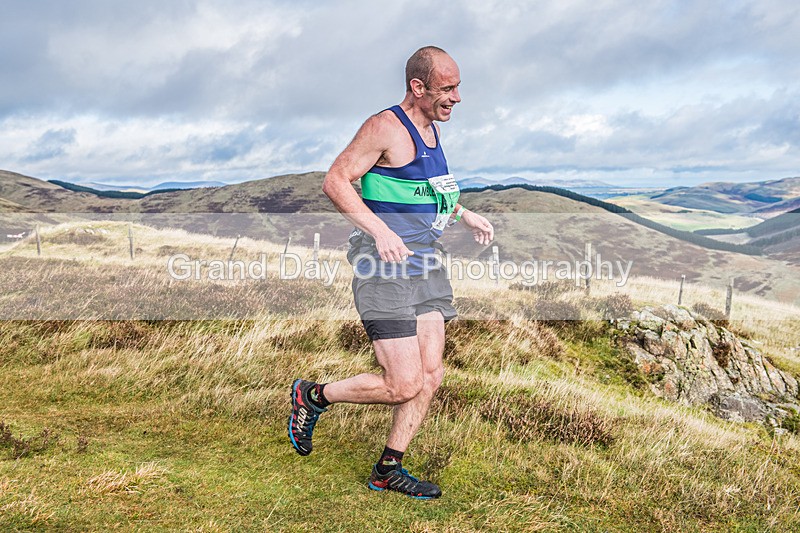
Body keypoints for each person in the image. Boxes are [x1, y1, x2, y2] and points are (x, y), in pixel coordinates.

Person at [288, 46, 493, 499]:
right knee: (403, 383)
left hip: (426, 263)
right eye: (448, 88)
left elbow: (425, 191)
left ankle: (387, 469)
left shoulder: (433, 132)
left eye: (458, 87)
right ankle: (313, 396)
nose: (457, 97)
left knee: (431, 374)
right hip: (384, 266)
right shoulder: (384, 126)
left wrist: (465, 214)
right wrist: (379, 231)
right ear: (418, 87)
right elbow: (336, 180)